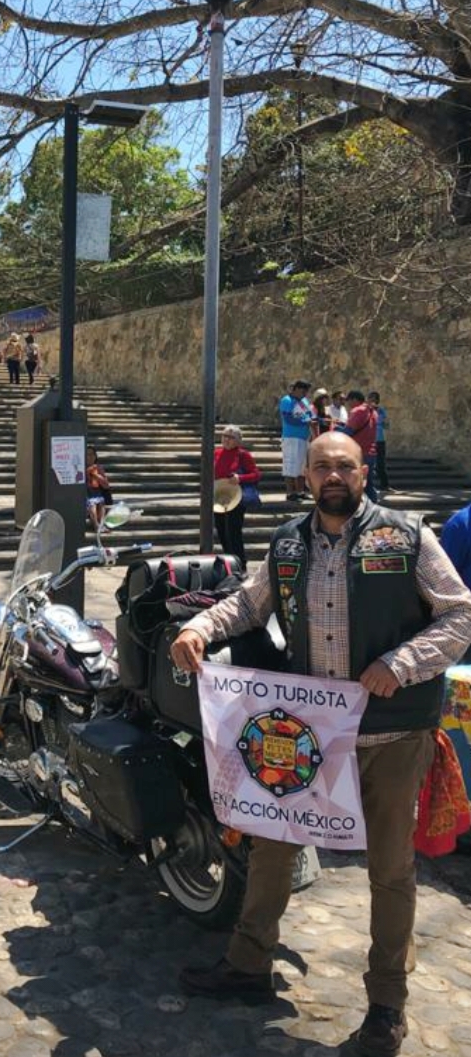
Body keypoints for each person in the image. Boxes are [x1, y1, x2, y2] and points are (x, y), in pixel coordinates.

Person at [170, 432, 471, 1057]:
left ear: (363, 473)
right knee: (272, 848)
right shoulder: (286, 543)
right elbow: (250, 606)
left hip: (391, 733)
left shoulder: (406, 535)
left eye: (344, 465)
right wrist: (198, 628)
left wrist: (401, 662)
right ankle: (249, 966)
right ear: (304, 477)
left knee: (389, 869)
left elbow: (461, 614)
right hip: (305, 736)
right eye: (321, 467)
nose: (333, 475)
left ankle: (387, 1004)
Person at [213, 424, 261, 569]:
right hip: (219, 498)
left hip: (236, 499)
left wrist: (240, 478)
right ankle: (229, 564)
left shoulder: (243, 454)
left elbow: (256, 474)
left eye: (231, 437)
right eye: (224, 436)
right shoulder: (216, 452)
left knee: (233, 532)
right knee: (221, 531)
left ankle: (240, 564)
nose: (226, 439)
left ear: (238, 440)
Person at [279, 378, 313, 501]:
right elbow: (289, 419)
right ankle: (290, 493)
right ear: (297, 389)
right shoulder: (286, 401)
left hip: (303, 437)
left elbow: (309, 415)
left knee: (302, 466)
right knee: (290, 465)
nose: (305, 394)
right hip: (291, 438)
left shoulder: (304, 401)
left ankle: (300, 491)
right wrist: (305, 421)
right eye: (303, 391)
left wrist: (313, 419)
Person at [342, 390, 379, 502]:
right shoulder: (373, 412)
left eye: (348, 401)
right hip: (371, 452)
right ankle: (374, 508)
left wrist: (335, 431)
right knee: (368, 484)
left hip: (358, 453)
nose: (347, 405)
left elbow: (349, 431)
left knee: (355, 484)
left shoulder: (358, 411)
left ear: (355, 400)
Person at [86, 444, 114, 530]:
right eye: (87, 455)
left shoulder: (98, 468)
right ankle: (96, 525)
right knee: (92, 504)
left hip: (96, 493)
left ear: (95, 456)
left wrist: (96, 475)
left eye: (92, 454)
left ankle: (102, 524)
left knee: (101, 502)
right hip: (85, 494)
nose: (89, 457)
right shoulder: (80, 467)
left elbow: (106, 485)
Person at [368, 391, 392, 493]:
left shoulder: (381, 410)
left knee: (381, 463)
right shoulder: (366, 410)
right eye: (371, 398)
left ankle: (385, 485)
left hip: (380, 440)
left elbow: (386, 426)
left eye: (375, 398)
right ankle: (369, 487)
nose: (373, 400)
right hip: (369, 440)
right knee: (369, 463)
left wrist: (386, 422)